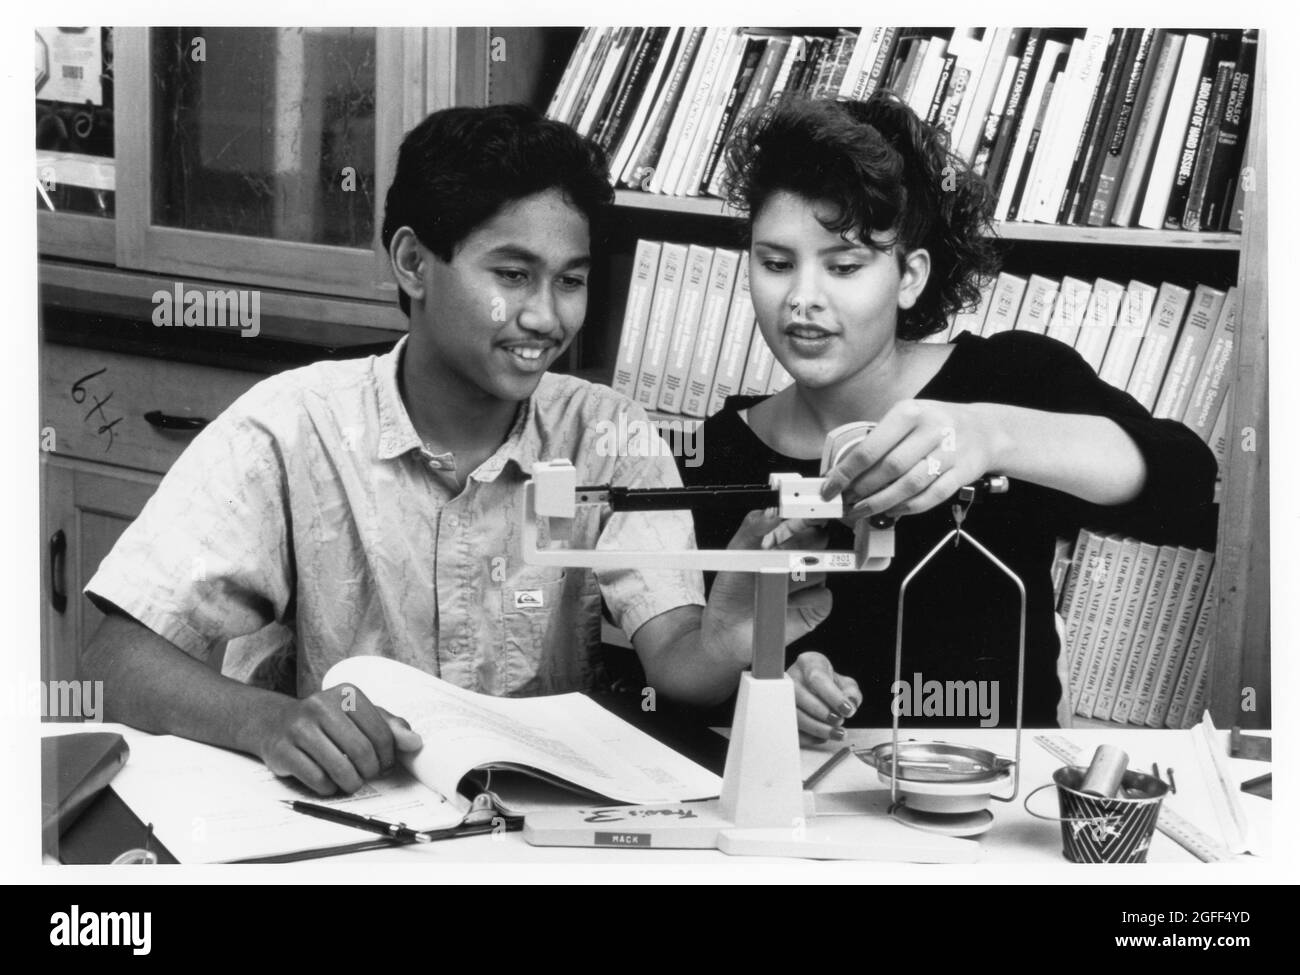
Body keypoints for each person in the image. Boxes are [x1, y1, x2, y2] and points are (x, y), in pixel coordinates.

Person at [81, 104, 831, 796]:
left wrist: (729, 634)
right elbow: (116, 660)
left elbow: (676, 661)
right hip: (343, 819)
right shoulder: (288, 426)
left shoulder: (611, 437)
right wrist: (265, 719)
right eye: (511, 275)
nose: (545, 316)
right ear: (413, 262)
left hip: (533, 834)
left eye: (570, 280)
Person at [681, 93, 1218, 738]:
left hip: (1002, 804)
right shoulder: (716, 453)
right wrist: (764, 691)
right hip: (814, 810)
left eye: (844, 265)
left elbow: (1188, 480)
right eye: (775, 264)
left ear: (909, 277)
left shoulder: (1011, 378)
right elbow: (690, 674)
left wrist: (993, 435)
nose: (802, 299)